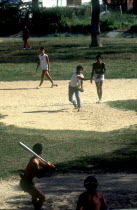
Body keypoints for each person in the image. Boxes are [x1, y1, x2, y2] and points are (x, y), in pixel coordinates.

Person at [20, 143, 55, 210]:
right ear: (41, 152)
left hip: (27, 182)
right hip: (26, 183)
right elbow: (38, 175)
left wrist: (50, 167)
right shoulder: (34, 162)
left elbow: (44, 167)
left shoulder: (36, 159)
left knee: (34, 196)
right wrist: (47, 167)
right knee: (42, 197)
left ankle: (36, 207)